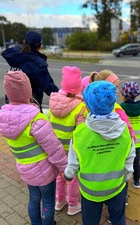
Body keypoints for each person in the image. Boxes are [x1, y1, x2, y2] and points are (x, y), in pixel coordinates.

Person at [0, 71, 68, 225]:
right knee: (48, 202)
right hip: (44, 169)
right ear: (28, 91)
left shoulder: (3, 118)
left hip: (25, 167)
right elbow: (53, 148)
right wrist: (64, 167)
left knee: (34, 199)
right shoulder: (36, 119)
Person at [64, 81, 135, 225]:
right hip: (117, 187)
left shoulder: (79, 134)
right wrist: (127, 176)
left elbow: (73, 163)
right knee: (118, 218)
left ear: (88, 106)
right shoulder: (125, 131)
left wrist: (68, 175)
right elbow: (130, 158)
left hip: (90, 191)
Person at [48, 66, 85, 216]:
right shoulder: (80, 107)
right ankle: (73, 204)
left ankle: (59, 201)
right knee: (72, 177)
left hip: (56, 148)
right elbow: (81, 133)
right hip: (71, 149)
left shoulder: (53, 102)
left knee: (59, 175)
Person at [1, 31, 59, 112]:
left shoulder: (15, 56)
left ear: (24, 42)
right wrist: (63, 97)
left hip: (11, 100)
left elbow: (8, 51)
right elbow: (48, 86)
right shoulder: (36, 63)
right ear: (40, 45)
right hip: (31, 104)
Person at [89, 69, 136, 142]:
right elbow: (128, 129)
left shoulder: (89, 106)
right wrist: (133, 140)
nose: (118, 91)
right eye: (115, 87)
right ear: (105, 89)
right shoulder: (117, 109)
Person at [120, 81, 140, 189]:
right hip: (138, 143)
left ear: (124, 95)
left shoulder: (120, 108)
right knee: (136, 162)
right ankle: (136, 181)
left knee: (124, 164)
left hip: (125, 143)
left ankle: (124, 184)